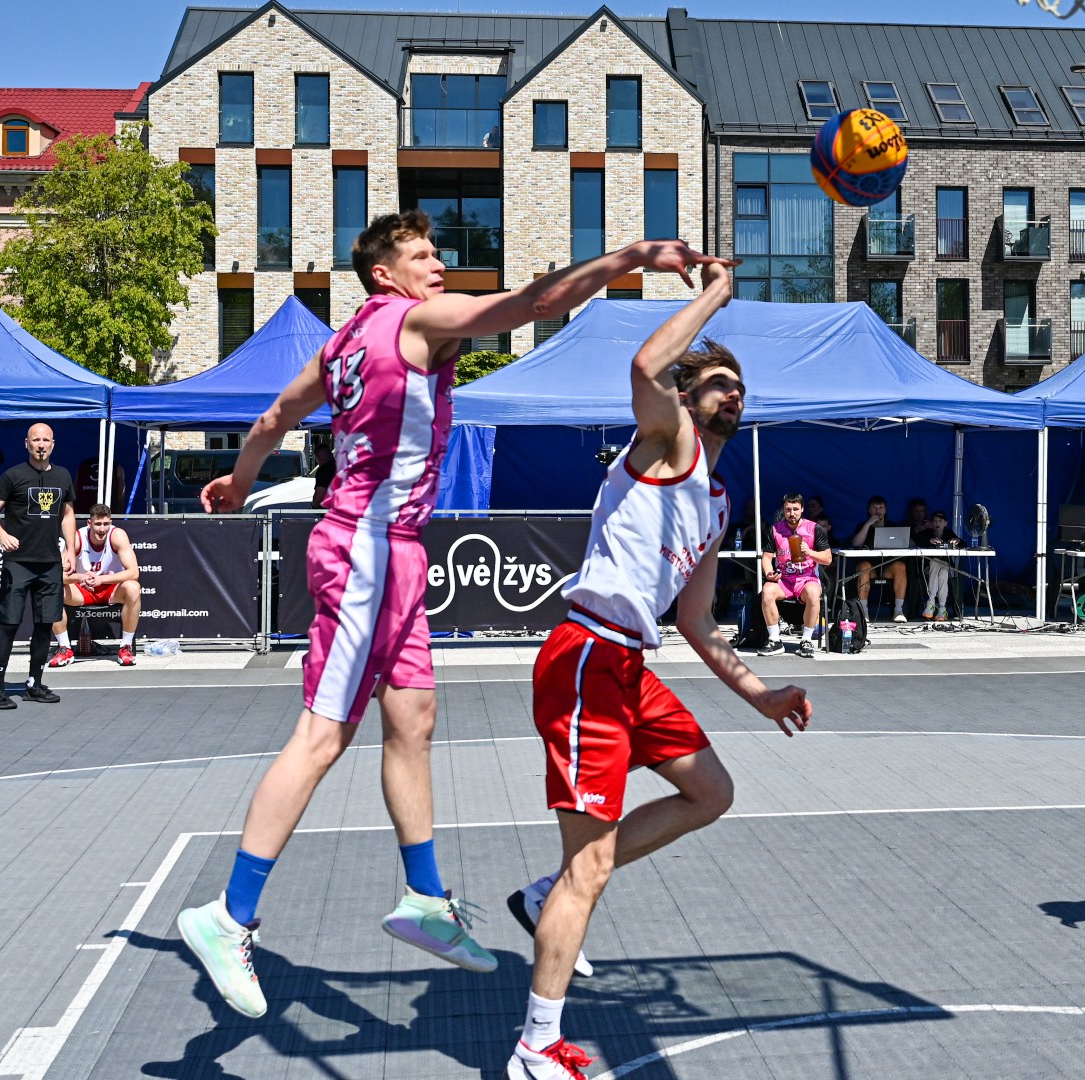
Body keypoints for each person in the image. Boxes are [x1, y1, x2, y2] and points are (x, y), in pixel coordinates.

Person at [175, 209, 730, 1021]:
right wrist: (634, 255)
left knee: (414, 720)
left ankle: (424, 900)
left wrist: (238, 479)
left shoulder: (339, 347)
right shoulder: (413, 320)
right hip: (365, 546)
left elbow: (273, 419)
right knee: (322, 736)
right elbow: (537, 304)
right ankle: (229, 916)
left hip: (396, 551)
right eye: (423, 255)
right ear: (384, 275)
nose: (438, 264)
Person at [503, 262, 811, 1080]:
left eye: (740, 387)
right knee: (592, 866)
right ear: (686, 395)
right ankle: (535, 1047)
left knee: (712, 791)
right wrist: (714, 295)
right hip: (587, 656)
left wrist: (761, 694)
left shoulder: (717, 501)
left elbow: (698, 622)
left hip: (630, 665)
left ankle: (543, 895)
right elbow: (645, 365)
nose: (733, 393)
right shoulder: (669, 439)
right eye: (719, 383)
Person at [0, 423, 77, 708]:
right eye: (35, 440)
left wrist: (71, 549)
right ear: (26, 443)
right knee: (9, 624)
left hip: (50, 563)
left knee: (44, 624)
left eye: (45, 440)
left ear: (53, 444)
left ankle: (34, 685)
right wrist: (2, 535)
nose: (41, 445)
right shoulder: (13, 475)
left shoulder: (63, 475)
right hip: (18, 563)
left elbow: (68, 514)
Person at [47, 504, 141, 668]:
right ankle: (65, 648)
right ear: (89, 523)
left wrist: (101, 579)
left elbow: (134, 572)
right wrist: (80, 577)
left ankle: (125, 647)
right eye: (98, 524)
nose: (102, 529)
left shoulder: (117, 535)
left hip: (110, 587)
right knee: (51, 588)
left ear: (110, 523)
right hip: (82, 589)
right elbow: (57, 575)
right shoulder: (78, 538)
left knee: (133, 587)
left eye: (105, 524)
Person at [757, 492, 832, 658]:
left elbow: (827, 558)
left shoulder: (814, 528)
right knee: (767, 591)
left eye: (795, 509)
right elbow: (767, 558)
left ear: (802, 509)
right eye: (788, 509)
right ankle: (775, 640)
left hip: (807, 579)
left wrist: (810, 552)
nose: (792, 513)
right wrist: (769, 573)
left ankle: (806, 640)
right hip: (784, 579)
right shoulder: (775, 529)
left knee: (814, 592)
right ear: (783, 510)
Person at [849, 495, 909, 622]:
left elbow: (908, 543)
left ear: (885, 510)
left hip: (887, 567)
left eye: (881, 507)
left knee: (900, 566)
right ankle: (864, 612)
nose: (878, 511)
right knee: (864, 566)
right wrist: (868, 524)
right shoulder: (862, 526)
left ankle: (898, 611)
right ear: (869, 510)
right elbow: (856, 543)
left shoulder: (893, 526)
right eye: (875, 508)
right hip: (869, 568)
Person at [915, 510, 963, 621]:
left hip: (946, 566)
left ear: (945, 523)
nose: (937, 523)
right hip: (928, 568)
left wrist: (957, 541)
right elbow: (918, 543)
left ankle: (931, 602)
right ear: (931, 523)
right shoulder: (927, 533)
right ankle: (942, 608)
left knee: (943, 571)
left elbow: (963, 543)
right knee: (936, 563)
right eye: (935, 521)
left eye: (940, 521)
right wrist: (930, 541)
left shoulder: (949, 533)